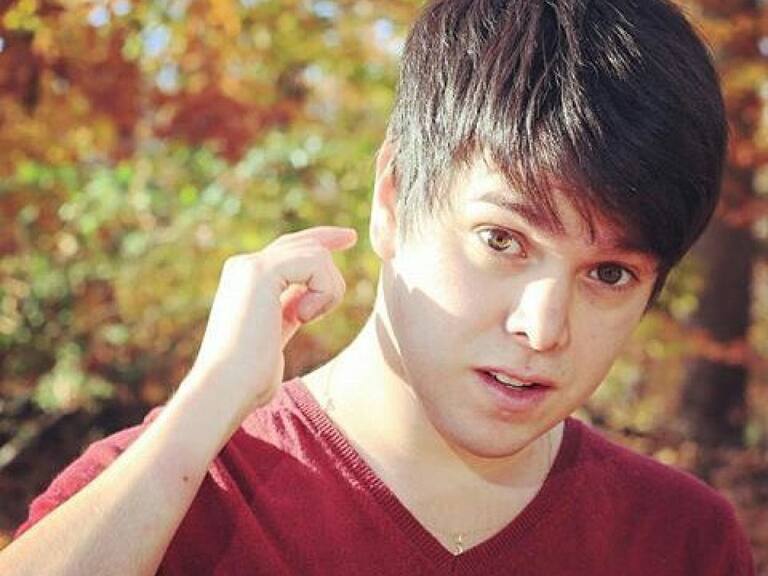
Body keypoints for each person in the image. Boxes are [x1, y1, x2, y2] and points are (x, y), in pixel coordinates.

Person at [1, 0, 756, 574]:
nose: (543, 326)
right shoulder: (169, 495)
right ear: (393, 197)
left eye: (609, 274)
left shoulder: (680, 540)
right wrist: (200, 416)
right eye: (501, 240)